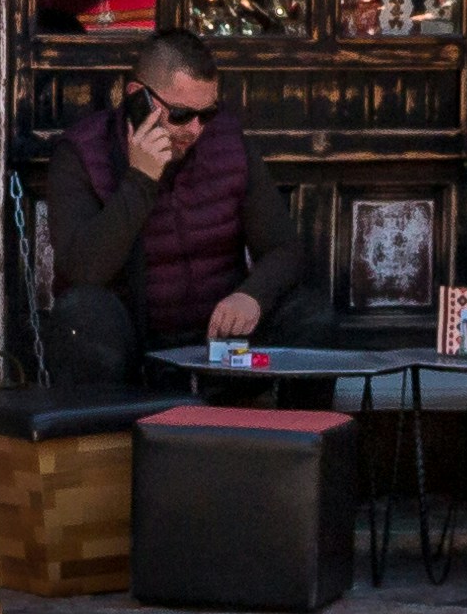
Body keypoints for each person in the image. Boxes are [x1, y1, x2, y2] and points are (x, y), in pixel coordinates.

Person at [36, 29, 324, 391]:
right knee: (82, 314)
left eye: (207, 115)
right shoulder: (82, 153)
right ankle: (108, 444)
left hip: (220, 343)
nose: (195, 129)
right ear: (137, 96)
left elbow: (285, 249)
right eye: (181, 114)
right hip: (134, 345)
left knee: (310, 314)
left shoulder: (228, 142)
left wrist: (252, 296)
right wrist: (141, 179)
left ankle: (299, 445)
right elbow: (82, 271)